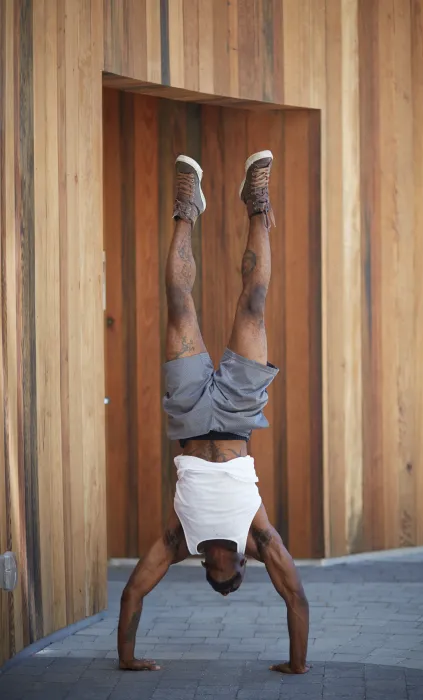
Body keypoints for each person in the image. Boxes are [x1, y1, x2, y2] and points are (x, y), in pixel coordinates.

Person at [117, 151, 310, 675]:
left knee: (179, 301)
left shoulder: (182, 539)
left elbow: (134, 593)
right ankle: (256, 202)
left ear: (208, 566)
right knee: (255, 302)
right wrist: (297, 665)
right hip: (238, 413)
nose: (233, 563)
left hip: (187, 415)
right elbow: (295, 597)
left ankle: (188, 206)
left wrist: (129, 659)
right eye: (239, 572)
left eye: (225, 571)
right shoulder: (257, 534)